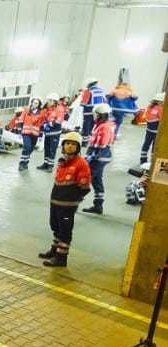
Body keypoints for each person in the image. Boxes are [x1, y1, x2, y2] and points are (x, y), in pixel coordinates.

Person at [39, 132, 91, 267]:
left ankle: (61, 258)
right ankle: (54, 250)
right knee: (55, 226)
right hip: (56, 202)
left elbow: (85, 187)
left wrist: (73, 199)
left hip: (67, 205)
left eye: (73, 144)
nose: (69, 146)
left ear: (78, 147)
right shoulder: (62, 162)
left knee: (65, 231)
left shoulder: (81, 164)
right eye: (67, 143)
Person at [82, 104, 115, 214]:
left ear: (102, 115)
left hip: (99, 157)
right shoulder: (101, 125)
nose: (94, 115)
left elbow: (102, 143)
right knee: (97, 180)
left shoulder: (104, 126)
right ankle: (98, 205)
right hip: (101, 156)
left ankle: (75, 200)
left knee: (87, 178)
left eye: (96, 114)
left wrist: (93, 155)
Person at [37, 94, 64, 171]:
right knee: (47, 148)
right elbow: (44, 118)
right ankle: (45, 163)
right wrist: (44, 124)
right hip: (47, 133)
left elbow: (59, 120)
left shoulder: (59, 109)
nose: (48, 102)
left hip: (55, 133)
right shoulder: (47, 109)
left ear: (55, 101)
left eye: (50, 100)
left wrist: (49, 125)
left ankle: (50, 165)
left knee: (52, 149)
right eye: (48, 100)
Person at [18, 96, 44, 171]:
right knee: (27, 147)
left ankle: (26, 161)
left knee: (31, 148)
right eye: (34, 102)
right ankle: (22, 163)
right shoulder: (26, 110)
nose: (35, 104)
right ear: (31, 102)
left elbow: (42, 124)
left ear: (39, 104)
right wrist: (20, 130)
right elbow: (21, 120)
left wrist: (41, 134)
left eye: (37, 103)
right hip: (26, 132)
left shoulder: (41, 113)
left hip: (35, 134)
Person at [140, 92, 164, 165]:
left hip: (149, 130)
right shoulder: (160, 109)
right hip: (157, 132)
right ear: (161, 101)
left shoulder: (149, 107)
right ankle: (153, 161)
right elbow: (163, 120)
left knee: (146, 144)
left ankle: (143, 160)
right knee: (155, 145)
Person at [80, 78, 105, 145]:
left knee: (86, 125)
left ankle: (84, 141)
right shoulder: (101, 91)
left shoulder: (88, 91)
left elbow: (83, 103)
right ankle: (90, 138)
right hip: (97, 111)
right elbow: (104, 101)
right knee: (92, 124)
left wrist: (81, 103)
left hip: (88, 111)